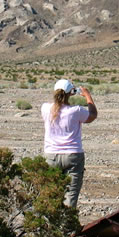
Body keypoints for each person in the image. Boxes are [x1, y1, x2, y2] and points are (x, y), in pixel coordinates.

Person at [41, 79, 97, 208]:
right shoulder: (76, 111)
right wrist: (88, 96)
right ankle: (67, 225)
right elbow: (92, 115)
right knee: (70, 196)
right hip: (73, 155)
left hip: (51, 155)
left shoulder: (45, 108)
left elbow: (56, 107)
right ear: (70, 93)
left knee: (50, 193)